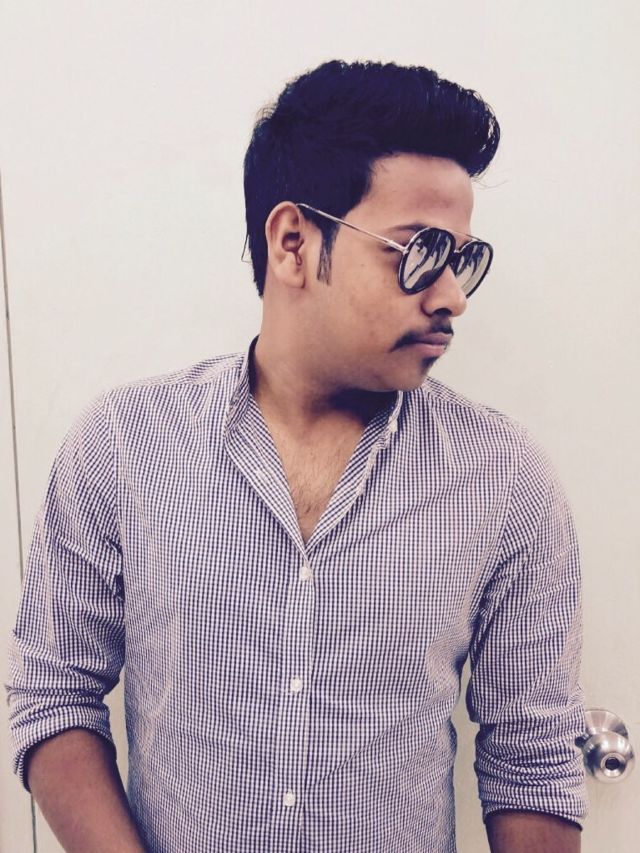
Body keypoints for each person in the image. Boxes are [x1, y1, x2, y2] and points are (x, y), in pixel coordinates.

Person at [6, 60, 588, 852]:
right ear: (292, 243)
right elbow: (53, 694)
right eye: (421, 252)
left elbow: (532, 758)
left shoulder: (506, 478)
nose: (452, 295)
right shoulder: (122, 443)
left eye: (462, 259)